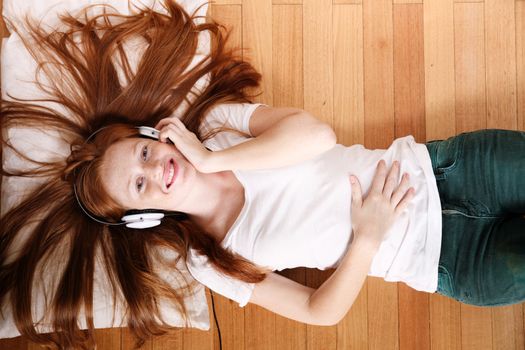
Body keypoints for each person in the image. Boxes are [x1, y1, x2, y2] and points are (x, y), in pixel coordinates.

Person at [2, 1, 525, 350]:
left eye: (142, 152)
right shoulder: (210, 264)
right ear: (141, 218)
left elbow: (317, 137)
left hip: (449, 169)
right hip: (450, 260)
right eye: (138, 185)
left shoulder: (220, 128)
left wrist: (209, 160)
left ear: (153, 132)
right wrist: (367, 235)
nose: (153, 169)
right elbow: (320, 312)